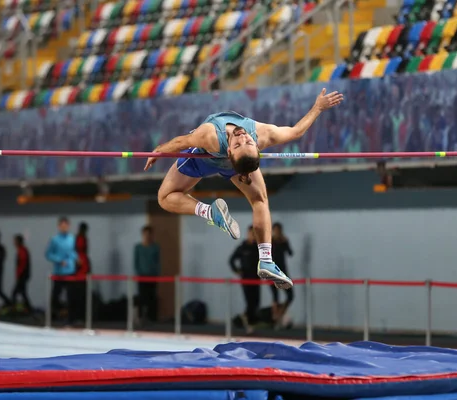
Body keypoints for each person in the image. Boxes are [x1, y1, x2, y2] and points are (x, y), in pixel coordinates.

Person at [145, 88, 343, 289]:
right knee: (259, 201)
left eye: (245, 142)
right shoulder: (246, 135)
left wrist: (159, 150)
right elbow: (296, 132)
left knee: (165, 197)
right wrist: (317, 107)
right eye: (243, 142)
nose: (242, 137)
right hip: (221, 161)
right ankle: (257, 252)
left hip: (217, 162)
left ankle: (260, 255)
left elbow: (181, 142)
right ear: (234, 150)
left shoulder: (216, 136)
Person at [45, 217, 78, 325]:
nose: (64, 227)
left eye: (66, 225)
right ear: (59, 226)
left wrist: (76, 258)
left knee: (72, 297)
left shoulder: (72, 238)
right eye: (62, 225)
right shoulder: (54, 240)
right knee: (55, 297)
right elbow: (48, 254)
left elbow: (72, 252)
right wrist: (59, 260)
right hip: (59, 272)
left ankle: (71, 319)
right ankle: (54, 316)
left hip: (70, 271)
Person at [229, 225, 260, 333]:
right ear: (248, 234)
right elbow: (232, 260)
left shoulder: (258, 248)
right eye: (251, 234)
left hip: (256, 279)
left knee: (256, 302)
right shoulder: (242, 247)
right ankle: (247, 324)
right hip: (246, 279)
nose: (253, 236)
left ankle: (243, 319)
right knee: (250, 302)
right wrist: (237, 271)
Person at [134, 225, 161, 323]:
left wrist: (157, 273)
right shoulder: (138, 247)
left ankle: (152, 318)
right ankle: (140, 317)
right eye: (146, 234)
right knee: (142, 297)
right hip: (142, 276)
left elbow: (157, 262)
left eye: (149, 235)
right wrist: (138, 273)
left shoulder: (155, 247)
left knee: (152, 297)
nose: (148, 236)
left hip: (152, 276)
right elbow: (136, 262)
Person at [271, 222, 294, 328]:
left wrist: (286, 242)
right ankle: (275, 320)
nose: (277, 233)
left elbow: (290, 253)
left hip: (283, 272)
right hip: (272, 271)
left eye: (278, 231)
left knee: (290, 296)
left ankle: (280, 314)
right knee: (275, 296)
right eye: (275, 231)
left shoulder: (284, 242)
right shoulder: (270, 241)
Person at [73, 222, 91, 322]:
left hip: (83, 269)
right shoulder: (78, 239)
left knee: (82, 295)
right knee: (78, 294)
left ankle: (81, 316)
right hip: (79, 269)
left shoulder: (83, 239)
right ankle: (77, 316)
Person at [11, 234, 32, 312]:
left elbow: (22, 264)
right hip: (23, 275)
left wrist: (19, 274)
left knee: (15, 293)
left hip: (22, 275)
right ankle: (28, 307)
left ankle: (13, 308)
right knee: (22, 293)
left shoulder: (22, 251)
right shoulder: (22, 250)